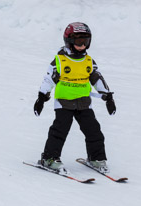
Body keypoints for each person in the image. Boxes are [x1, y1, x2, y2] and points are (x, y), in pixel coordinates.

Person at [34, 22, 116, 172]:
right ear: (69, 41)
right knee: (59, 131)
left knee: (94, 131)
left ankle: (96, 158)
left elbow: (97, 78)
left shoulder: (88, 61)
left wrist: (108, 96)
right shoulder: (60, 60)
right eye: (79, 41)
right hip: (64, 103)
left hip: (84, 103)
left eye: (86, 41)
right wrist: (42, 97)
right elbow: (48, 79)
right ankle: (49, 158)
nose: (83, 45)